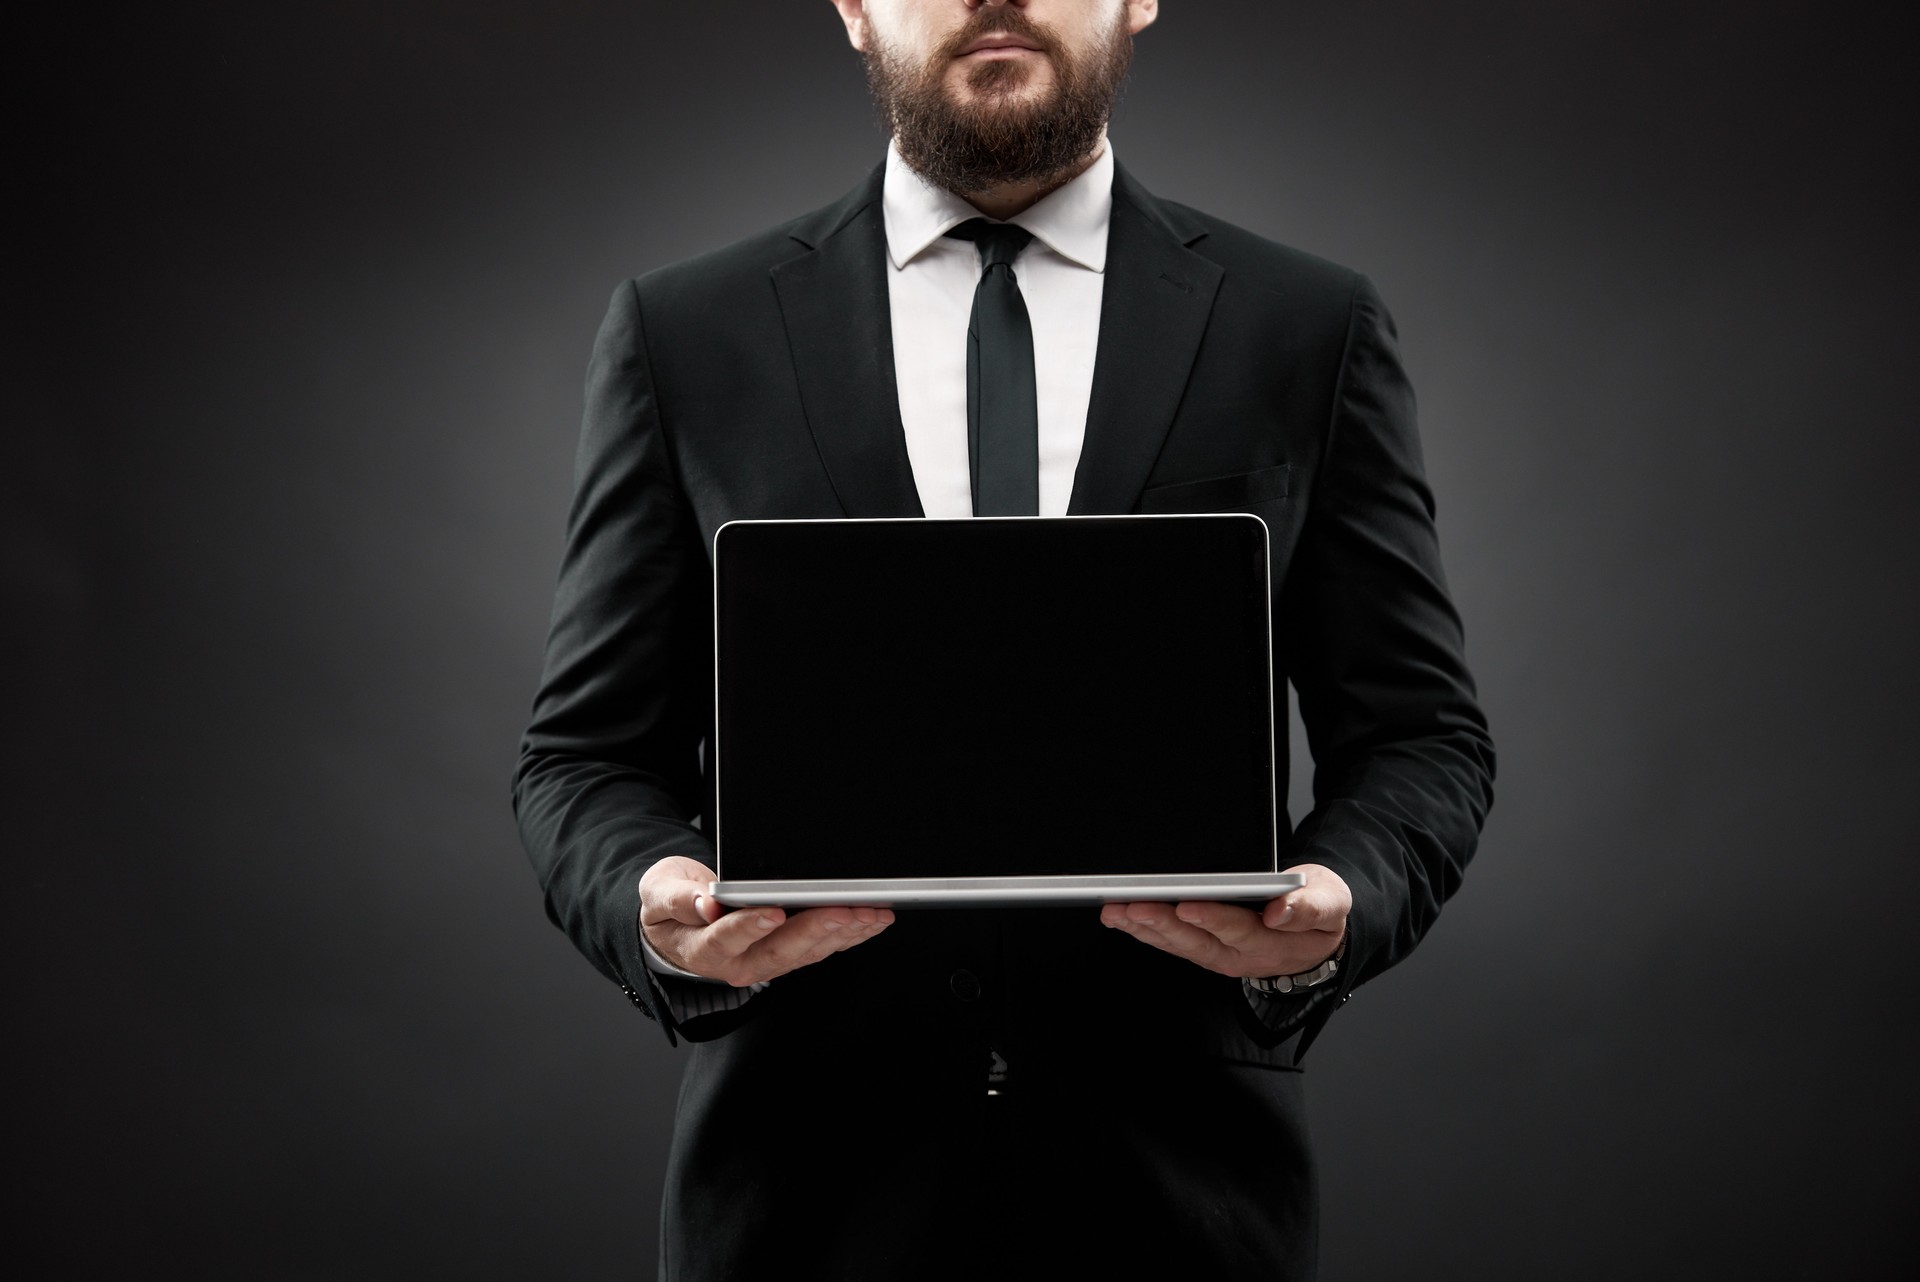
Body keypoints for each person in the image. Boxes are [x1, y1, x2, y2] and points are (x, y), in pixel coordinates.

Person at [513, 1, 1494, 1277]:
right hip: (801, 1213)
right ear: (855, 7)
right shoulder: (684, 333)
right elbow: (581, 758)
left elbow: (1422, 737)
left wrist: (1341, 898)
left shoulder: (1306, 327)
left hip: (1180, 1213)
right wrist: (655, 905)